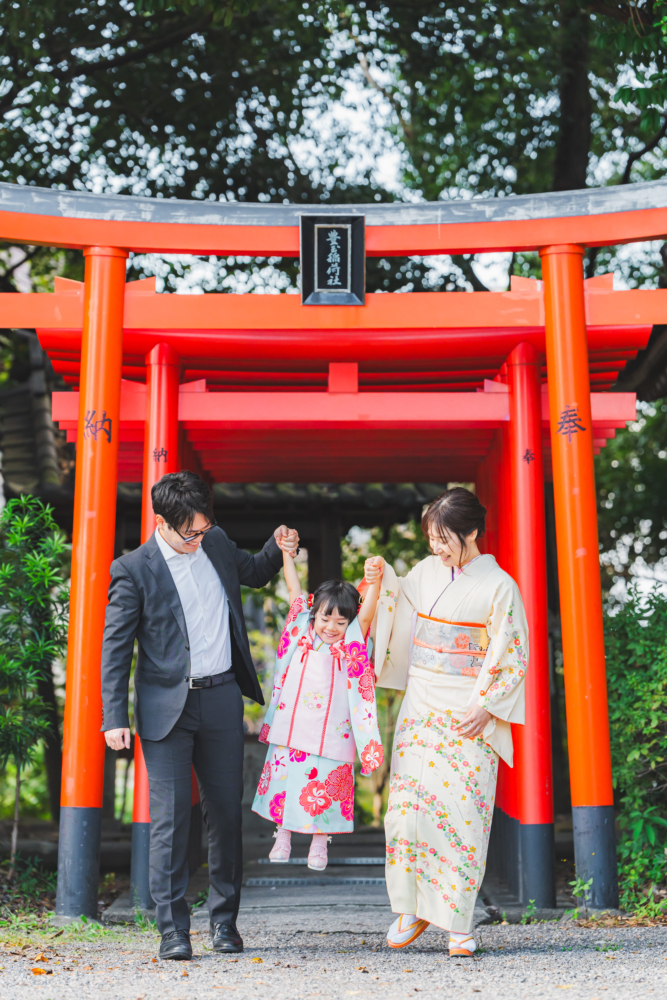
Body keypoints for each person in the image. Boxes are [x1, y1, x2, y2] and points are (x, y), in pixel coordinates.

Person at [101, 471, 298, 961]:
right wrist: (113, 716)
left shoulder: (215, 541)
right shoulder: (133, 569)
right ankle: (173, 930)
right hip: (165, 707)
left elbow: (255, 571)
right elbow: (115, 648)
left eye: (203, 529)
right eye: (189, 533)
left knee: (226, 816)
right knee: (169, 822)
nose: (198, 539)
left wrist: (277, 546)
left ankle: (225, 922)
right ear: (161, 523)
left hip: (221, 697)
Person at [373, 487, 528, 957]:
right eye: (432, 540)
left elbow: (511, 651)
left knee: (461, 816)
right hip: (420, 704)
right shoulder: (426, 572)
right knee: (406, 811)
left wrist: (489, 705)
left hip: (467, 709)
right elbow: (395, 602)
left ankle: (458, 921)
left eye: (444, 539)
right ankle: (411, 907)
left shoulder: (499, 585)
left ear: (472, 532)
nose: (437, 549)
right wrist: (379, 577)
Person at [252, 542, 385, 870]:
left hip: (333, 730)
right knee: (287, 777)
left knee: (324, 783)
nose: (332, 627)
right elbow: (294, 588)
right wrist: (287, 555)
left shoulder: (352, 642)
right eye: (326, 618)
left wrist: (375, 580)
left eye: (341, 622)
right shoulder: (302, 630)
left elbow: (368, 612)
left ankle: (319, 842)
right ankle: (282, 834)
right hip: (294, 724)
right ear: (314, 614)